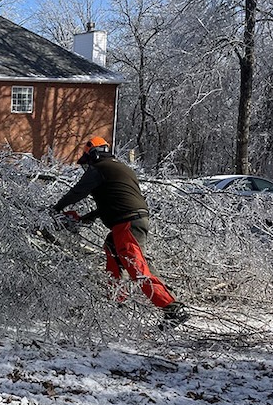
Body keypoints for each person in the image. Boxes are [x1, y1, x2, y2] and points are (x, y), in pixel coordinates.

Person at [52, 136, 189, 327]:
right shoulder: (120, 169)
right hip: (132, 220)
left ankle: (171, 308)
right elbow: (115, 201)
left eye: (87, 161)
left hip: (127, 223)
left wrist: (56, 209)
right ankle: (116, 302)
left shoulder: (99, 168)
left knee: (136, 266)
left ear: (93, 155)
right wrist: (86, 218)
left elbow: (77, 192)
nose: (87, 166)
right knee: (112, 250)